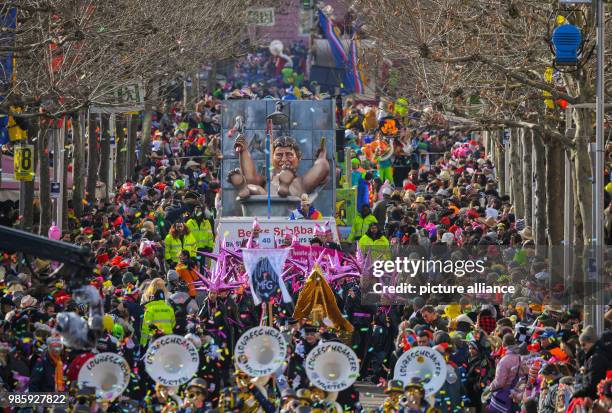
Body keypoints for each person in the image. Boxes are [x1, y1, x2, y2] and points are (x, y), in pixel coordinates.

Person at [139, 278, 176, 346]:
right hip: (168, 336)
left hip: (154, 336)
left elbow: (145, 327)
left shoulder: (146, 297)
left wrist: (143, 344)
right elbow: (173, 322)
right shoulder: (169, 296)